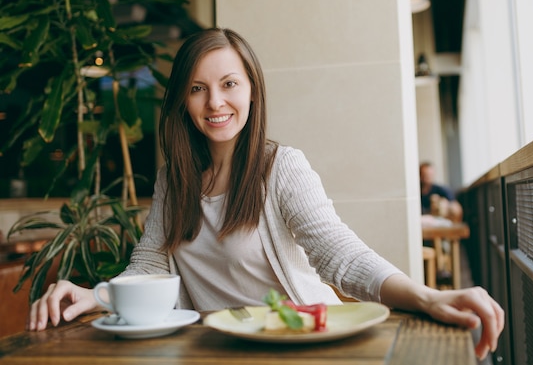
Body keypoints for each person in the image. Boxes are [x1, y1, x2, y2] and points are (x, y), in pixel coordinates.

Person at [29, 28, 503, 360]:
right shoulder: (174, 179)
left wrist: (426, 297)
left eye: (229, 84)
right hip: (216, 353)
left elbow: (339, 255)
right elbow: (149, 266)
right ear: (182, 100)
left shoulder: (281, 168)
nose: (215, 102)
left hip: (297, 351)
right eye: (198, 88)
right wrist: (94, 295)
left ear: (252, 91)